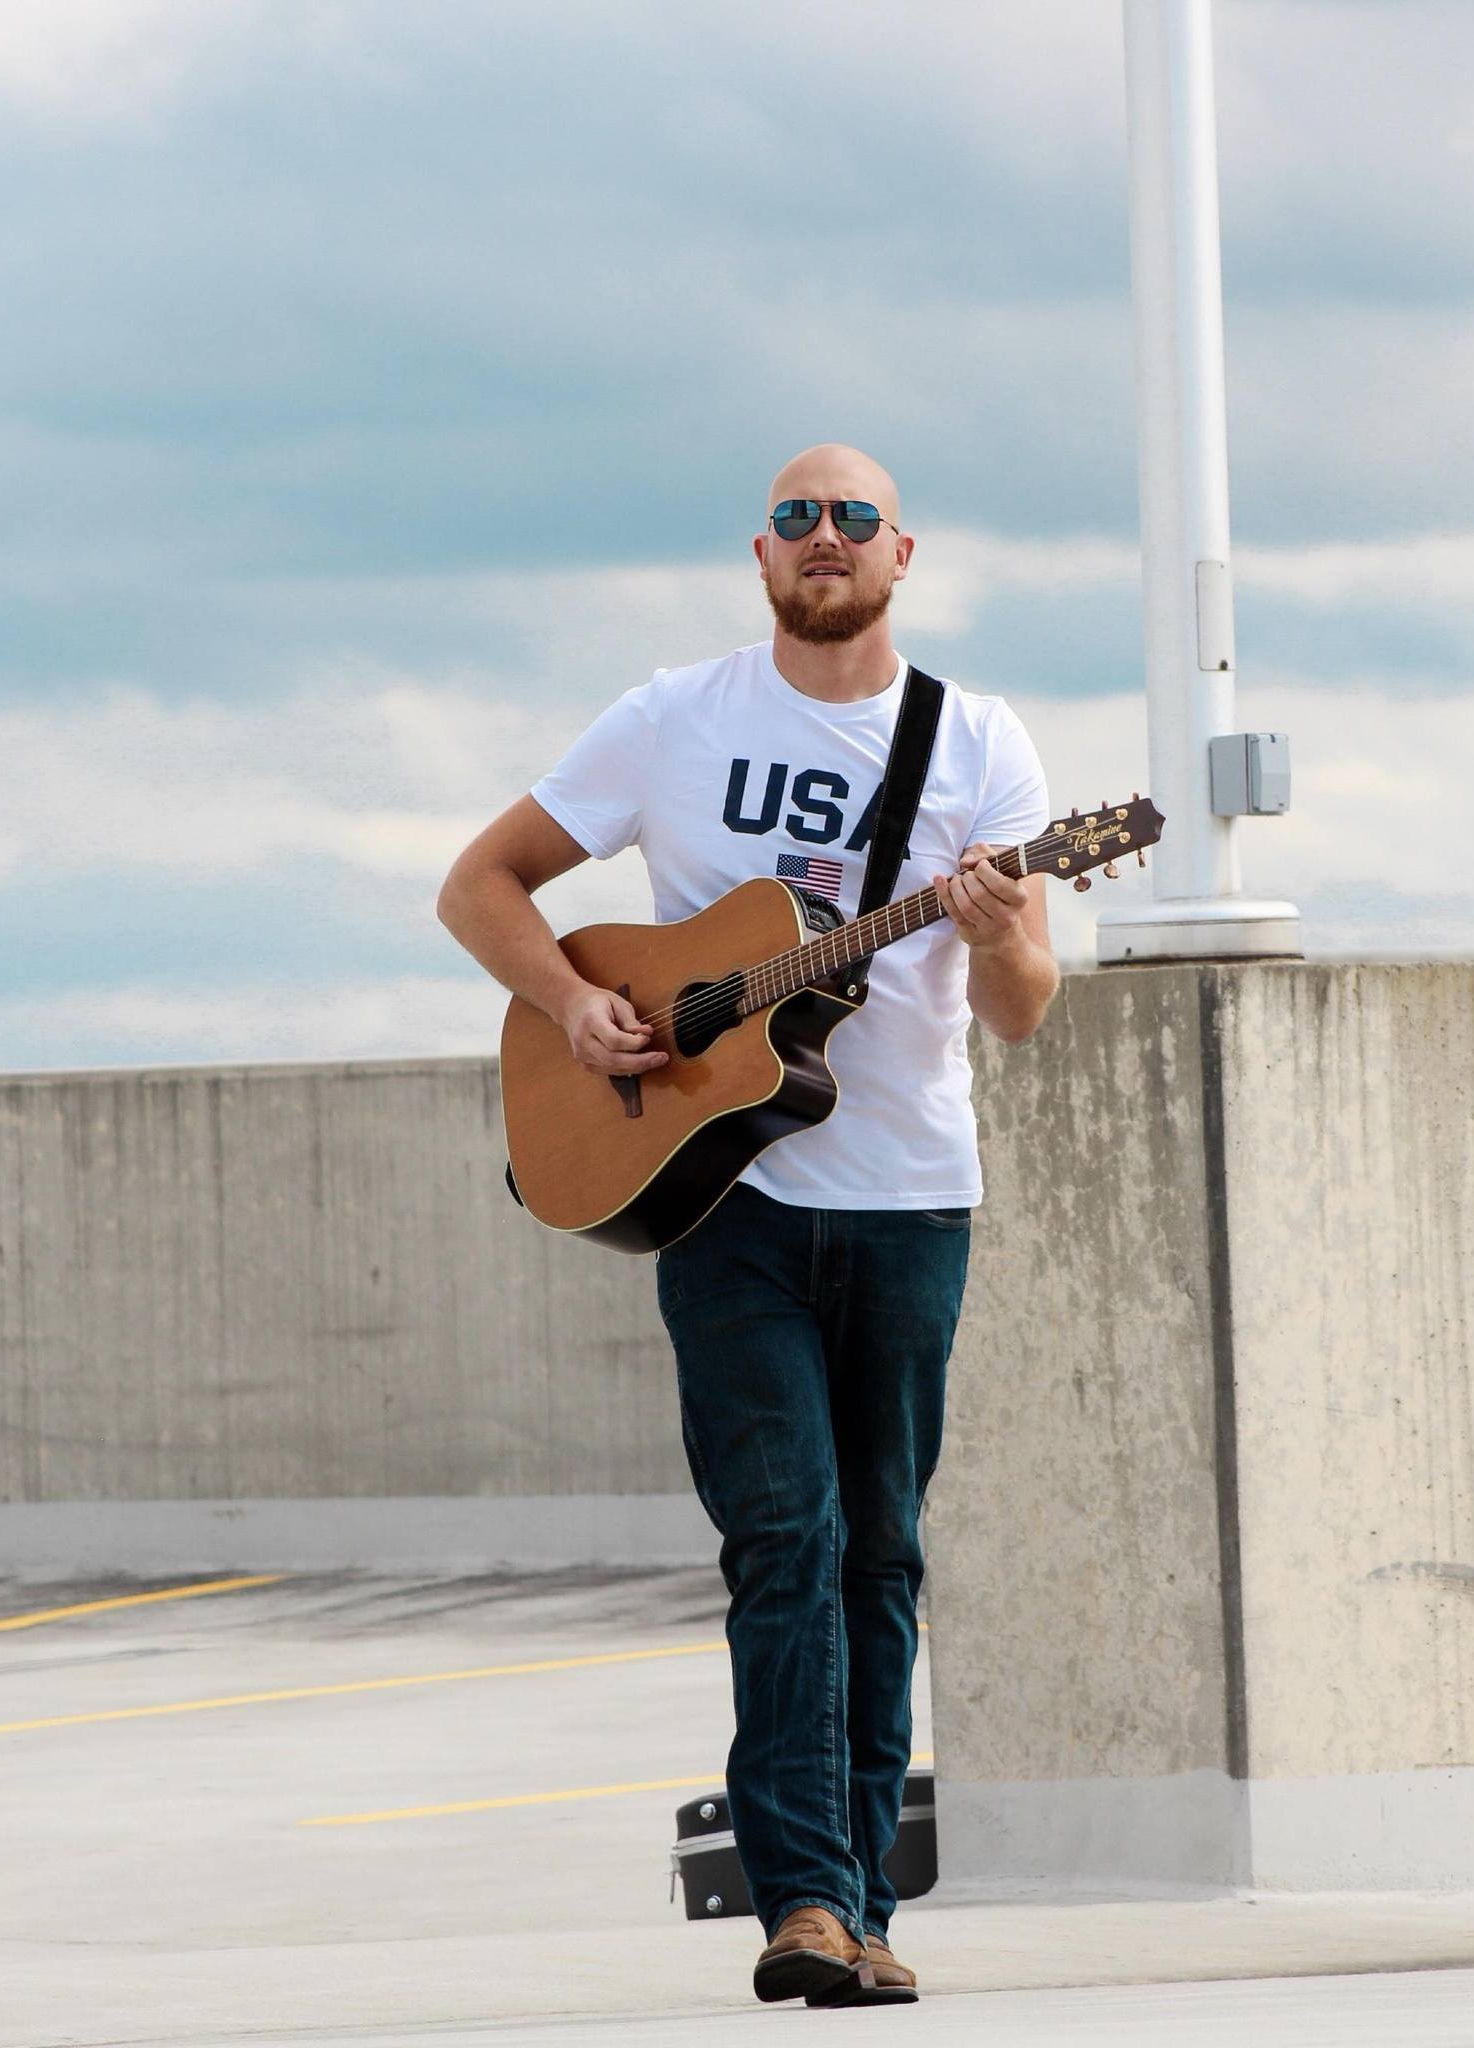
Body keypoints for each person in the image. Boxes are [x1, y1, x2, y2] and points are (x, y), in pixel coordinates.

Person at [436, 443, 1059, 2007]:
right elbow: (483, 884)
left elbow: (1027, 1007)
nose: (825, 538)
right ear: (761, 557)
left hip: (913, 1198)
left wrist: (993, 933)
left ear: (903, 555)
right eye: (798, 518)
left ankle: (865, 1905)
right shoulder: (671, 717)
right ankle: (804, 1906)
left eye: (854, 518)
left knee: (883, 1553)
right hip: (728, 1202)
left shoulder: (977, 745)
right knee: (787, 1540)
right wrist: (577, 1002)